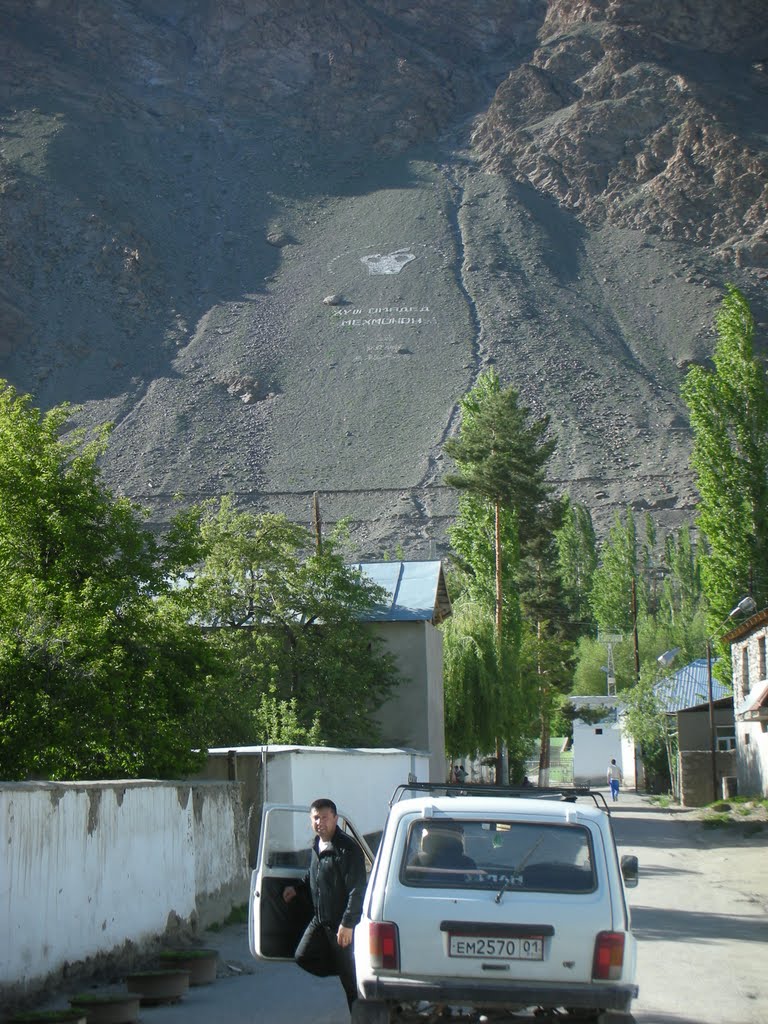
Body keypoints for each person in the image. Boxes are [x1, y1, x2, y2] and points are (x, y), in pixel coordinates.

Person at [283, 798, 367, 1011]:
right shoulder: (316, 844)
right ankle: (342, 966)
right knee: (302, 956)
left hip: (341, 924)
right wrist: (297, 888)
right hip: (320, 920)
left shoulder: (348, 849)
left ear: (335, 819)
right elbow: (314, 873)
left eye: (325, 817)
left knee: (352, 987)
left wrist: (348, 923)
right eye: (316, 818)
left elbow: (357, 890)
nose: (320, 822)